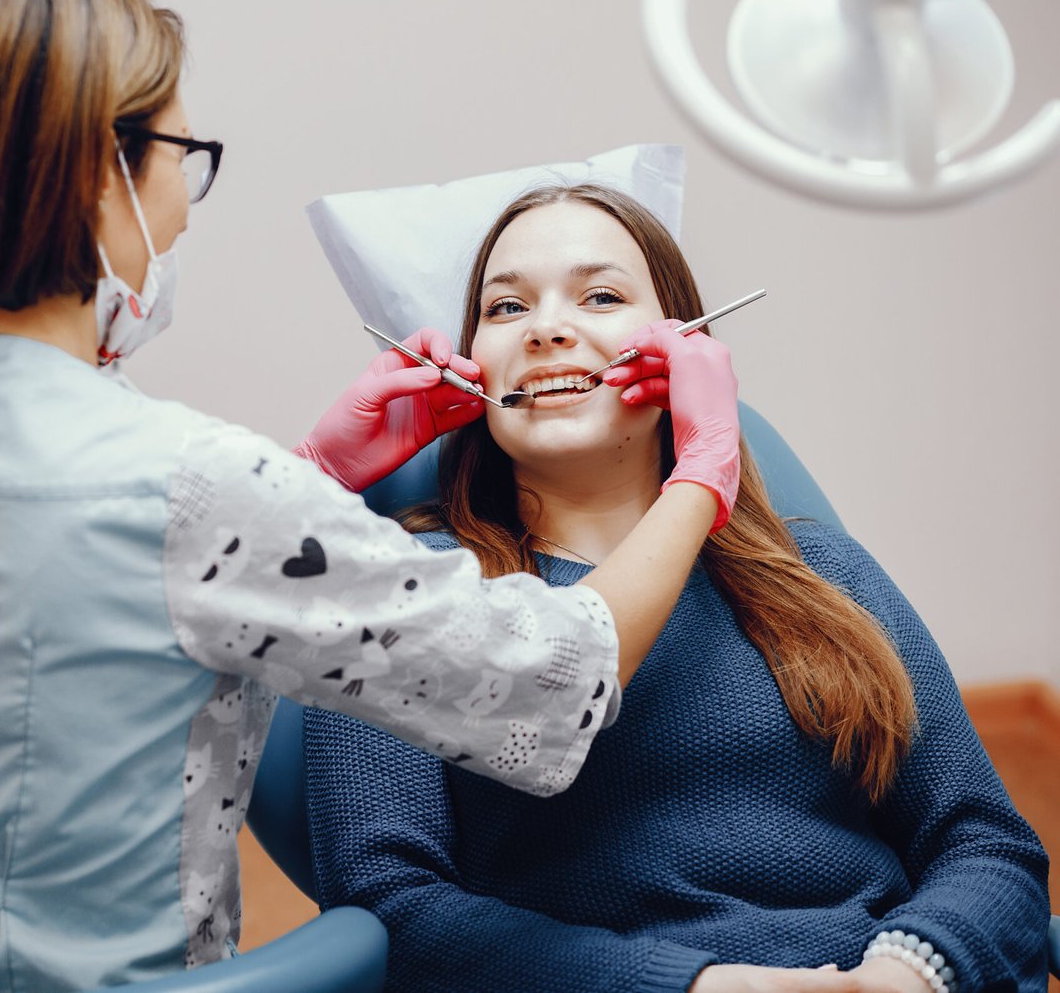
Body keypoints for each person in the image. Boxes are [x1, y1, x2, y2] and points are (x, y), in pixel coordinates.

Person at [0, 0, 745, 993]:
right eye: (183, 153)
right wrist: (703, 473)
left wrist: (307, 476)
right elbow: (545, 680)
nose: (185, 202)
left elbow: (79, 599)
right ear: (103, 175)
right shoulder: (191, 482)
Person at [303, 183, 1052, 993]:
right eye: (506, 306)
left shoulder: (825, 574)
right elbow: (394, 909)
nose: (550, 327)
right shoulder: (396, 595)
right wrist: (694, 986)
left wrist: (905, 971)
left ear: (686, 340)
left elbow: (986, 845)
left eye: (601, 294)